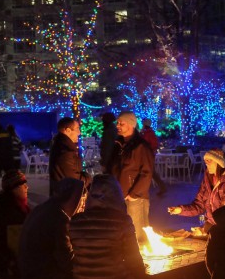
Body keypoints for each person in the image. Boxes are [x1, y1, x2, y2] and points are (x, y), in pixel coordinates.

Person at [70, 174, 147, 279]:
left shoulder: (75, 221)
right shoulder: (122, 222)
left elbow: (69, 257)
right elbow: (133, 259)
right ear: (116, 195)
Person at [19, 178, 87, 279]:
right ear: (74, 199)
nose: (83, 207)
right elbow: (67, 261)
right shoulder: (60, 220)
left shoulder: (43, 208)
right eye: (82, 202)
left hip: (27, 269)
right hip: (41, 273)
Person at [106, 111, 154, 242]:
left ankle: (141, 261)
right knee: (125, 233)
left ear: (131, 125)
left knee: (137, 234)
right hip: (120, 195)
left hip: (134, 198)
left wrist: (134, 194)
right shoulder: (119, 145)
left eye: (122, 123)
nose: (118, 125)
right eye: (117, 123)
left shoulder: (140, 146)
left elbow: (147, 172)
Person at [168, 148, 225, 233]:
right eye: (205, 161)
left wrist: (210, 230)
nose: (206, 163)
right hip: (210, 226)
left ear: (219, 163)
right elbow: (199, 204)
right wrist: (180, 210)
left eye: (210, 160)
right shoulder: (208, 179)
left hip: (223, 229)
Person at [0, 169, 30, 278]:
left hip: (14, 257)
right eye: (23, 185)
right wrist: (8, 263)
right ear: (13, 189)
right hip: (7, 261)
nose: (27, 188)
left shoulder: (20, 206)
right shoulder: (6, 211)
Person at [49, 117, 91, 196]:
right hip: (66, 197)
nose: (79, 133)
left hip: (63, 195)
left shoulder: (62, 146)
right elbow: (74, 178)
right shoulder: (65, 151)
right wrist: (88, 178)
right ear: (67, 131)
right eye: (77, 129)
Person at [140, 118, 167, 195]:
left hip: (147, 155)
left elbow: (153, 144)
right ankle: (162, 187)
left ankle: (161, 187)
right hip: (147, 155)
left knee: (149, 171)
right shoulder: (147, 133)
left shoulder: (148, 133)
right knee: (151, 171)